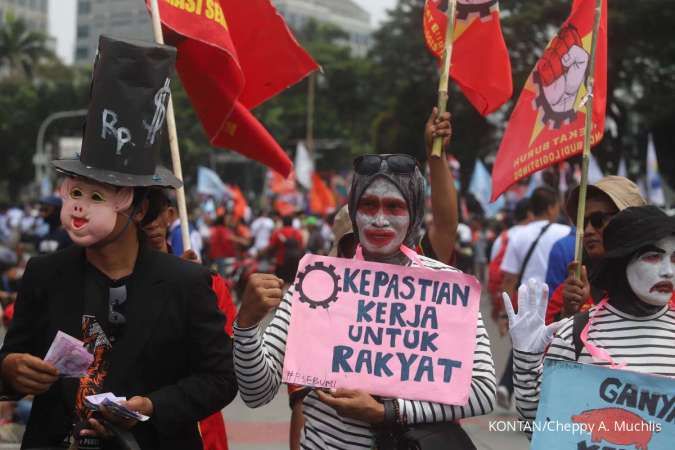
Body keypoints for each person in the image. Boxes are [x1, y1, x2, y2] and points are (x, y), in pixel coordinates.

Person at [0, 36, 237, 449]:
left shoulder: (187, 283)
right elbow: (13, 363)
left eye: (97, 197)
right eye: (76, 193)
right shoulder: (46, 273)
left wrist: (153, 406)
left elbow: (219, 380)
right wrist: (11, 370)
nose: (80, 208)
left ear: (140, 210)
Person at [233, 152, 495, 449]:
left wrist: (387, 412)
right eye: (368, 205)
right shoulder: (316, 285)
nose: (380, 219)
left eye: (394, 206)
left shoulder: (444, 288)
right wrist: (246, 327)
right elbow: (256, 393)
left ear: (415, 214)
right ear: (354, 212)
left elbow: (482, 391)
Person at [505, 205, 675, 434]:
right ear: (621, 263)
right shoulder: (574, 335)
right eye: (653, 257)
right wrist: (526, 361)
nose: (668, 272)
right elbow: (543, 431)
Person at [496, 186, 570, 409]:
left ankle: (515, 390)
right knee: (553, 351)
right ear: (550, 207)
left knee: (525, 348)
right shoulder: (565, 232)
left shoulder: (518, 234)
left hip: (526, 303)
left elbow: (509, 278)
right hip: (556, 302)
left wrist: (503, 315)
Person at [545, 176, 648, 323]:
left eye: (597, 220)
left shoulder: (663, 285)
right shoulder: (572, 292)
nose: (587, 230)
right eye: (583, 222)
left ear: (631, 220)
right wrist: (569, 314)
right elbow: (548, 345)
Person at [266, 215, 305, 286]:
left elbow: (271, 247)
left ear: (283, 223)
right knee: (292, 283)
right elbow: (301, 247)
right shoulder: (297, 233)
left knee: (280, 283)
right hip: (294, 262)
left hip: (281, 262)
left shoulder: (278, 233)